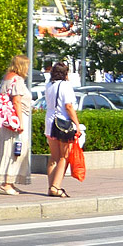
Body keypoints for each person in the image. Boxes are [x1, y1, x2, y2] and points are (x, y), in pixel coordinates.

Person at [0, 54, 31, 195]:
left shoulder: (6, 78)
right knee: (16, 150)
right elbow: (17, 101)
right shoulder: (17, 80)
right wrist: (20, 123)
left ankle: (9, 182)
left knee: (9, 149)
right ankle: (6, 184)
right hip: (17, 119)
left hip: (8, 120)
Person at [44, 62, 80, 198]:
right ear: (65, 73)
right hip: (62, 124)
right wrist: (77, 124)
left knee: (53, 157)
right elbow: (68, 106)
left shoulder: (49, 85)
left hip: (49, 122)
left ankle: (50, 186)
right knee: (64, 157)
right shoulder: (65, 86)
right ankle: (56, 186)